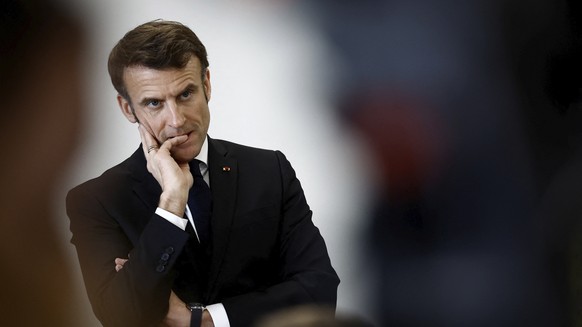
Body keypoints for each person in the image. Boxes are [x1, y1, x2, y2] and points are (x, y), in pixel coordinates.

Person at [66, 20, 339, 327]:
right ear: (128, 109)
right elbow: (121, 316)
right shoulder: (96, 201)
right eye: (154, 103)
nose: (177, 120)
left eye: (185, 94)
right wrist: (170, 204)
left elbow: (319, 291)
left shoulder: (269, 171)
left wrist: (202, 320)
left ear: (206, 84)